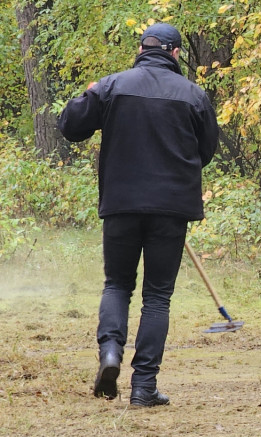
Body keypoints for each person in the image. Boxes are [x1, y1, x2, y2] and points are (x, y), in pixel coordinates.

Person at [57, 22, 220, 407]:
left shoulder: (112, 86)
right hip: (171, 208)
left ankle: (110, 352)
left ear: (142, 49)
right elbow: (207, 152)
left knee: (117, 285)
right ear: (176, 53)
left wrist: (93, 91)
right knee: (157, 297)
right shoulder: (194, 95)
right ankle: (144, 387)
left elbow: (69, 125)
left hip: (121, 204)